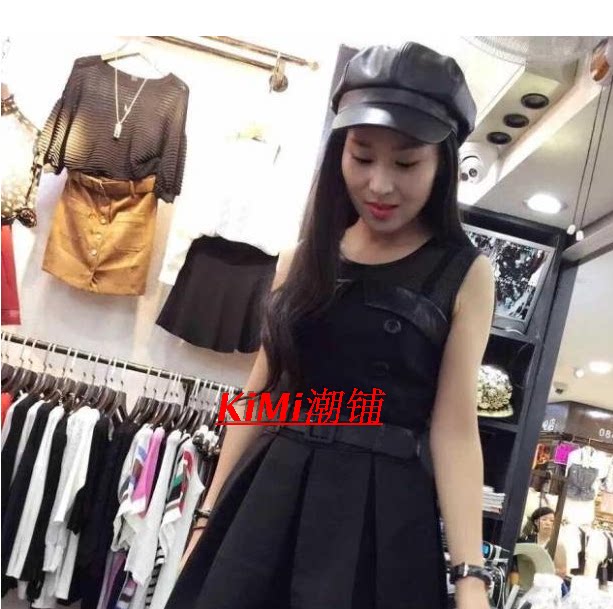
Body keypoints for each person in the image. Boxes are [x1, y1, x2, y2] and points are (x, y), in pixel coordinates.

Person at [167, 42, 495, 609]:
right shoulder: (302, 258)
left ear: (442, 164)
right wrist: (207, 514)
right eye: (362, 157)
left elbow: (455, 430)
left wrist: (470, 578)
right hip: (270, 499)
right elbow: (260, 395)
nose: (380, 185)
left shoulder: (463, 274)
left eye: (406, 163)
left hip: (381, 517)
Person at [519, 507, 568, 579]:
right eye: (544, 519)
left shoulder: (557, 545)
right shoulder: (528, 539)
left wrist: (544, 569)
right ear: (536, 522)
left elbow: (562, 572)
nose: (548, 523)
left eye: (551, 521)